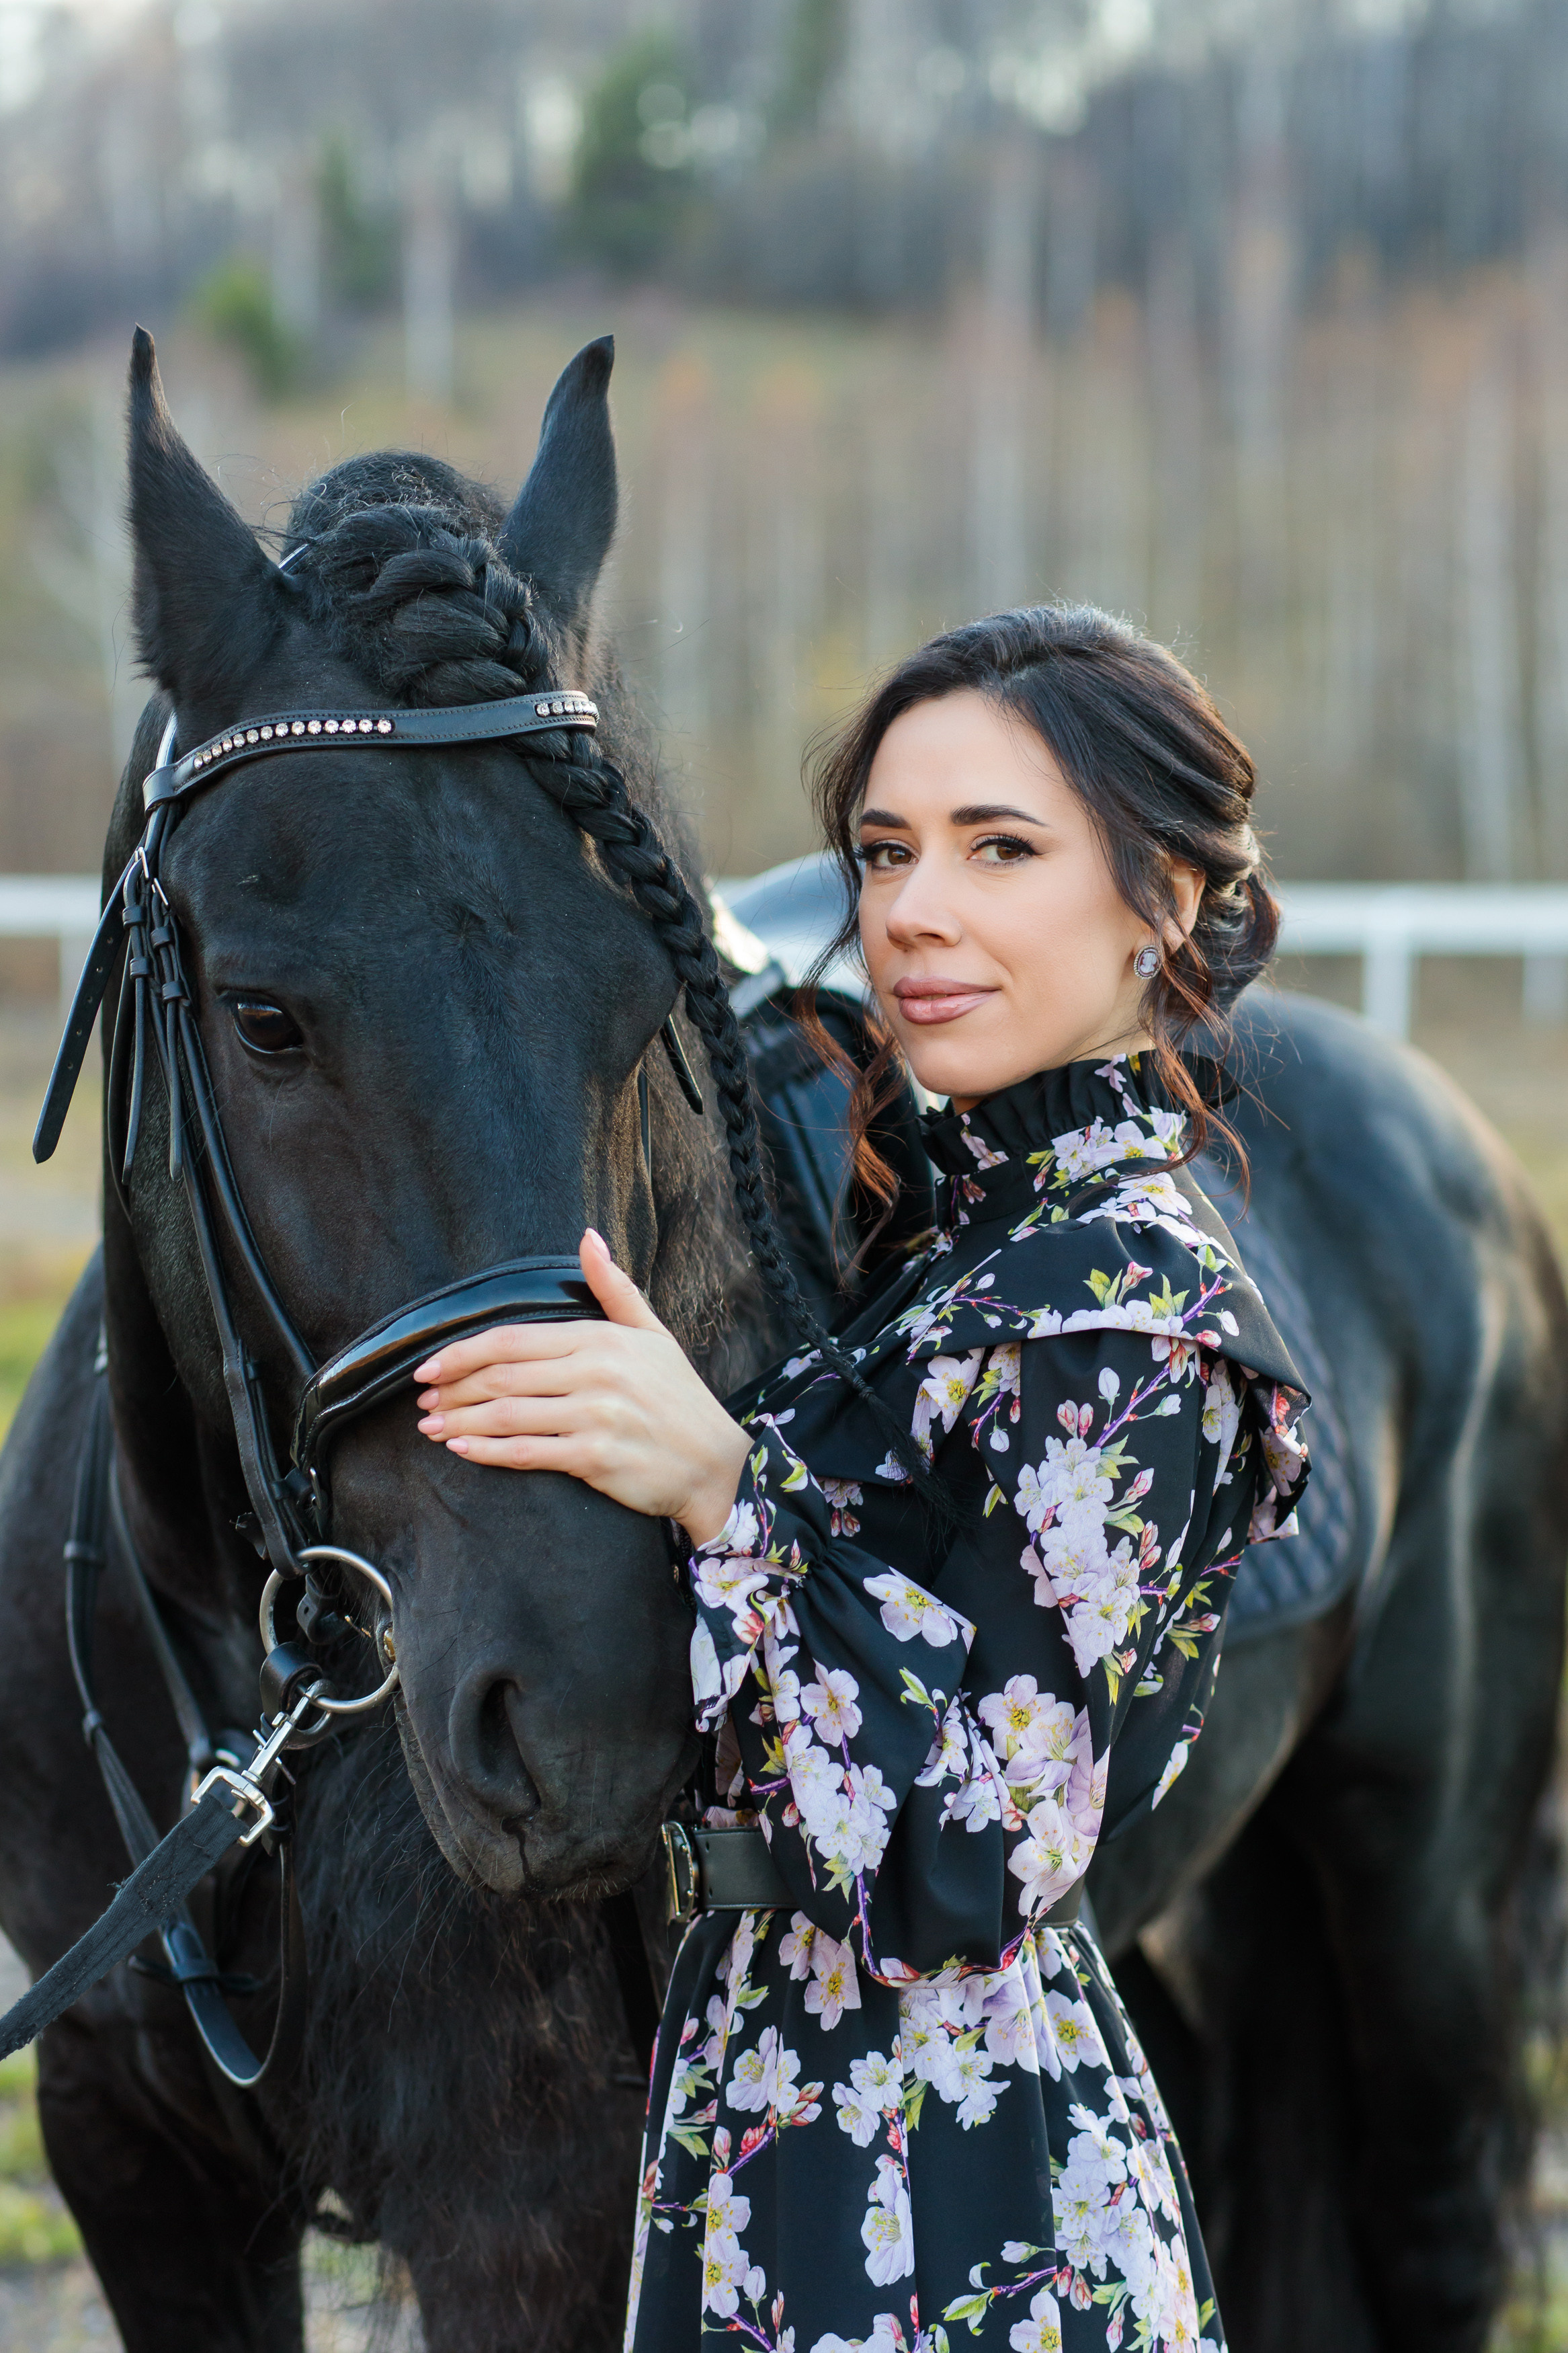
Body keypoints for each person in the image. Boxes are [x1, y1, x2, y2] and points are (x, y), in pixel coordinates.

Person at [410, 604, 1309, 2353]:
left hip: (949, 2189)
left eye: (1001, 848)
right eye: (888, 851)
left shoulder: (1127, 1310)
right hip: (780, 2106)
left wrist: (722, 1487)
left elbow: (970, 1858)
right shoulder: (960, 1250)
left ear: (1165, 898)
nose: (912, 910)